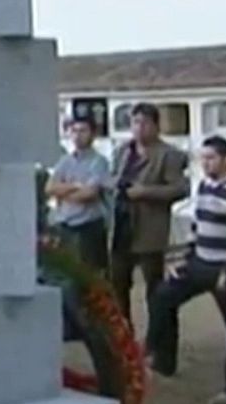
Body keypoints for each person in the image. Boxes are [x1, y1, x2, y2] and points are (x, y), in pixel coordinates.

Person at [145, 136, 226, 404]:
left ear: (225, 159)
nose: (205, 163)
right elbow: (198, 227)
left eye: (211, 158)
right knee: (162, 297)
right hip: (199, 263)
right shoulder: (205, 186)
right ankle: (161, 358)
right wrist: (184, 259)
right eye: (203, 158)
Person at [108, 103, 189, 321]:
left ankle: (157, 340)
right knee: (117, 285)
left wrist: (146, 192)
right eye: (135, 122)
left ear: (156, 125)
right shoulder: (122, 151)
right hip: (121, 228)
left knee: (155, 289)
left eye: (144, 122)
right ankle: (124, 341)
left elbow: (180, 188)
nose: (139, 128)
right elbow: (112, 178)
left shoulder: (169, 155)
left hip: (150, 230)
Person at [46, 117, 113, 273]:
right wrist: (75, 186)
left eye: (83, 131)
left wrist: (62, 193)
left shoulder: (99, 162)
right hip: (66, 226)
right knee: (68, 273)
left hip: (89, 227)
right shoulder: (65, 161)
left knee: (92, 274)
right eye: (74, 131)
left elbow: (89, 194)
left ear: (92, 134)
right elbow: (49, 188)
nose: (77, 135)